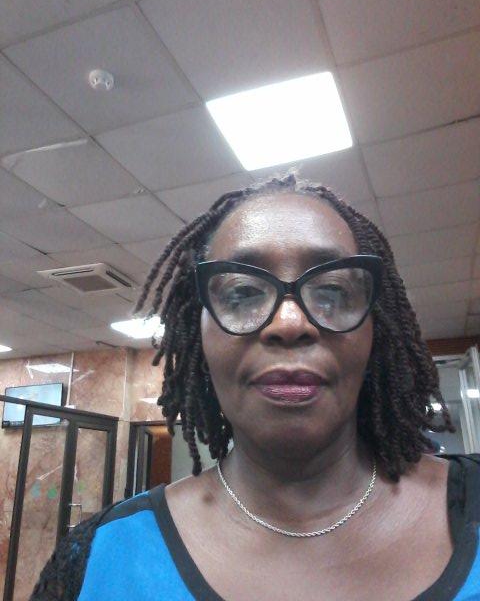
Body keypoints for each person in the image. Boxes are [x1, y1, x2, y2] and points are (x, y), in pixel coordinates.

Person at [31, 173, 480, 600]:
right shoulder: (100, 557)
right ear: (198, 334)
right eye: (243, 293)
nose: (289, 322)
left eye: (333, 291)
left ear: (374, 331)